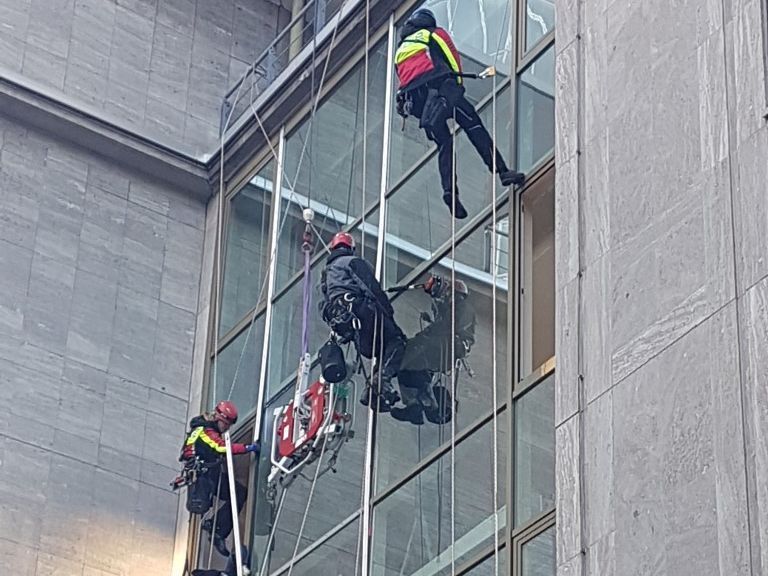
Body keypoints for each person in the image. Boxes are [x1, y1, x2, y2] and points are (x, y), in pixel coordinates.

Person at [394, 8, 525, 219]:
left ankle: (449, 192)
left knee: (444, 143)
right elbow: (451, 57)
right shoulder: (434, 33)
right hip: (441, 89)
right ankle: (502, 171)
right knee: (473, 125)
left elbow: (402, 78)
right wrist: (457, 86)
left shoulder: (401, 48)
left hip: (418, 103)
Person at [319, 231, 406, 410]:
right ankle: (381, 381)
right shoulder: (352, 262)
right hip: (362, 313)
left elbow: (324, 304)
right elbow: (370, 287)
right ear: (351, 248)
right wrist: (388, 313)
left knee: (382, 350)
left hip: (349, 326)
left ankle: (372, 391)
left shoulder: (326, 275)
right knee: (397, 341)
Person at [392, 275, 476, 425]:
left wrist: (424, 336)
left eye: (448, 293)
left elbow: (447, 326)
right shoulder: (450, 308)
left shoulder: (463, 308)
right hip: (442, 344)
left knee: (411, 357)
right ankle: (413, 406)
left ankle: (427, 400)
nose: (446, 296)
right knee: (405, 369)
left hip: (450, 346)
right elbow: (443, 322)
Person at [181, 400, 260, 556]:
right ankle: (216, 528)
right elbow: (220, 446)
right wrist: (247, 448)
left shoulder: (203, 428)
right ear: (218, 419)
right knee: (237, 493)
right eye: (226, 424)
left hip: (207, 473)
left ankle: (217, 529)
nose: (227, 428)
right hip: (205, 475)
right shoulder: (204, 430)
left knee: (239, 493)